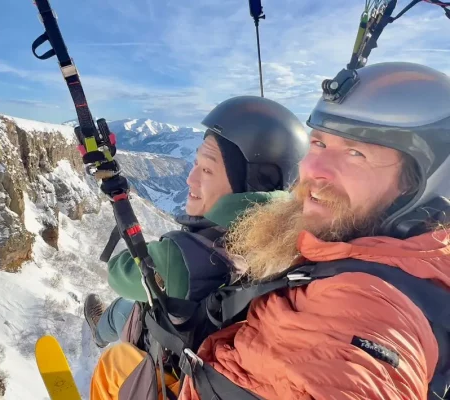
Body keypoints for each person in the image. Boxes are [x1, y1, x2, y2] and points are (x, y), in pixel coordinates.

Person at [89, 61, 450, 400]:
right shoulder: (309, 236)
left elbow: (356, 368)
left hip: (177, 370)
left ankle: (101, 329)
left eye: (356, 153)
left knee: (116, 359)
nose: (314, 168)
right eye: (319, 143)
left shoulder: (375, 308)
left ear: (413, 184)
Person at [83, 96, 309, 348]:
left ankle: (100, 331)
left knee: (127, 309)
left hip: (178, 362)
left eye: (207, 170)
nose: (191, 180)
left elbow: (119, 272)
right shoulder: (298, 237)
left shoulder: (186, 257)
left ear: (249, 186)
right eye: (196, 164)